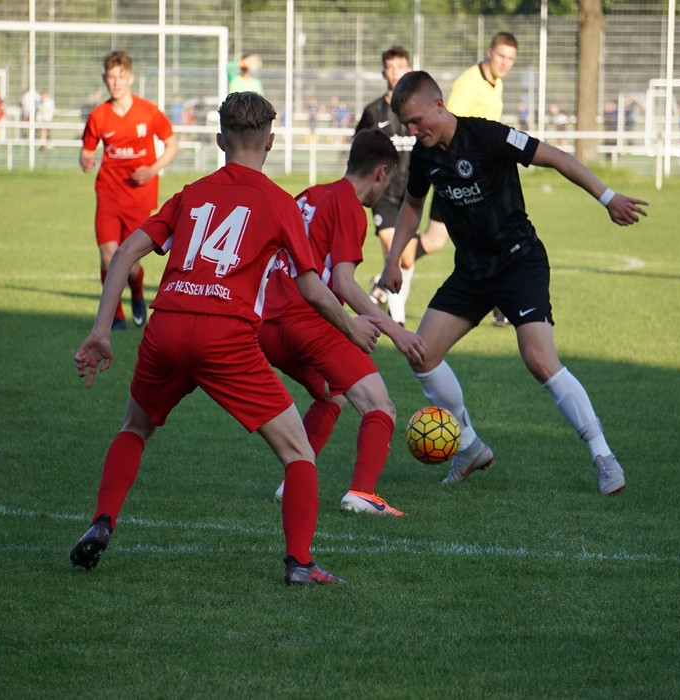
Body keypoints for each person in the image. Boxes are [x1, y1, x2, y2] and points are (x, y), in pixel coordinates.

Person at [69, 91, 381, 585]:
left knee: (134, 428)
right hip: (226, 337)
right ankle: (300, 564)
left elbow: (127, 251)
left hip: (166, 325)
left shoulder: (190, 193)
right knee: (298, 453)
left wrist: (101, 330)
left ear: (219, 140)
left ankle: (102, 522)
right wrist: (354, 325)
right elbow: (313, 289)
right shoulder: (278, 203)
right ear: (271, 142)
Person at [379, 71, 648, 494]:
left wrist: (608, 196)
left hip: (519, 262)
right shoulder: (425, 155)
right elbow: (413, 205)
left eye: (417, 121)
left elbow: (557, 157)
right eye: (406, 125)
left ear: (438, 105)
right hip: (471, 272)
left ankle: (603, 455)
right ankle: (469, 447)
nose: (413, 131)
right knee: (421, 353)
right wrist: (394, 259)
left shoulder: (487, 137)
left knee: (538, 358)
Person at [261, 129, 427, 517]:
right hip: (307, 320)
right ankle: (363, 493)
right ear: (381, 173)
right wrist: (395, 329)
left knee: (330, 395)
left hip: (267, 326)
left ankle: (293, 482)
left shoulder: (310, 196)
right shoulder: (350, 204)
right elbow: (343, 283)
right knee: (380, 405)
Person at [419, 32, 519, 327]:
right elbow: (452, 130)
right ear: (489, 52)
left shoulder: (495, 83)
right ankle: (391, 270)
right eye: (501, 56)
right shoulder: (467, 84)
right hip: (458, 179)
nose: (505, 63)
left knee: (442, 240)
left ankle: (501, 305)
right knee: (444, 240)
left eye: (511, 59)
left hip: (482, 181)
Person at [81, 50, 180, 331]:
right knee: (109, 256)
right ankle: (115, 314)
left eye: (121, 76)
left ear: (131, 78)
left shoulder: (148, 112)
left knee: (131, 262)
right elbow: (86, 151)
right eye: (111, 77)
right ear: (105, 79)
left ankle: (137, 291)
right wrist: (85, 160)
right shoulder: (99, 116)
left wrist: (152, 169)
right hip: (109, 195)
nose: (116, 82)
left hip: (140, 198)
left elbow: (172, 146)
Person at [354, 45, 417, 327]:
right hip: (383, 192)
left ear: (409, 69)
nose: (395, 73)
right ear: (384, 72)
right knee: (391, 248)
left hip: (412, 191)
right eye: (390, 67)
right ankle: (398, 318)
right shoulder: (372, 111)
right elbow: (359, 147)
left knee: (406, 258)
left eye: (400, 66)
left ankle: (384, 289)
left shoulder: (417, 109)